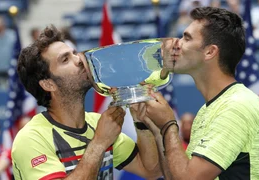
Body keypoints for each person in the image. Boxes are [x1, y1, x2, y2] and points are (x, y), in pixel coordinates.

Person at [140, 7, 259, 179]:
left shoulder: (236, 105)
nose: (176, 43)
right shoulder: (210, 109)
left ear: (210, 52)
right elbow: (176, 174)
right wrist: (157, 126)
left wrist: (169, 124)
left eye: (186, 38)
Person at [12, 25, 161, 180]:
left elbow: (151, 170)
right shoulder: (32, 138)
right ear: (48, 84)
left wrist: (141, 121)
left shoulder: (98, 123)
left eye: (74, 53)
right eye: (65, 59)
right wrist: (99, 143)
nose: (80, 60)